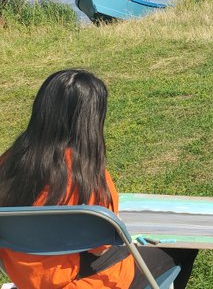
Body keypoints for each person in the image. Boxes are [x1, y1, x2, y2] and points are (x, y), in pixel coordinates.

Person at [0, 69, 198, 289]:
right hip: (84, 282)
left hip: (26, 278)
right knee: (185, 246)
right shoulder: (87, 175)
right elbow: (101, 246)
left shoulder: (7, 163)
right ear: (92, 119)